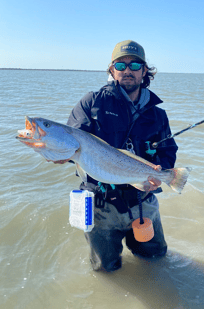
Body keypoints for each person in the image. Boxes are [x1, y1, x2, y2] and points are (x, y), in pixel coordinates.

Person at [67, 40, 178, 272]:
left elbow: (167, 151)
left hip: (142, 203)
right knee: (106, 269)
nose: (128, 70)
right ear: (111, 69)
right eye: (121, 64)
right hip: (100, 207)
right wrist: (61, 155)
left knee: (156, 261)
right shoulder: (91, 103)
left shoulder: (158, 114)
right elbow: (72, 145)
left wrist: (162, 172)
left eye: (135, 65)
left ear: (145, 71)